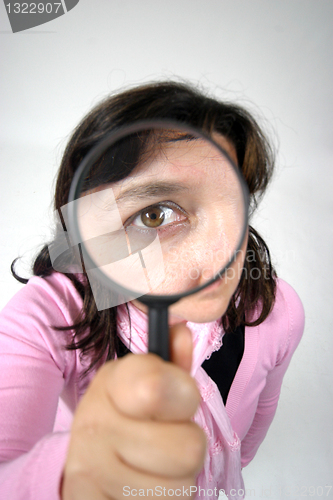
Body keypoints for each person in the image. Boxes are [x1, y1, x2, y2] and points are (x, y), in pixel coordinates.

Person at [0, 81, 305, 500]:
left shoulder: (277, 308)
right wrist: (73, 479)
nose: (222, 252)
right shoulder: (48, 314)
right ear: (91, 236)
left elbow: (247, 440)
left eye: (233, 200)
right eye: (156, 214)